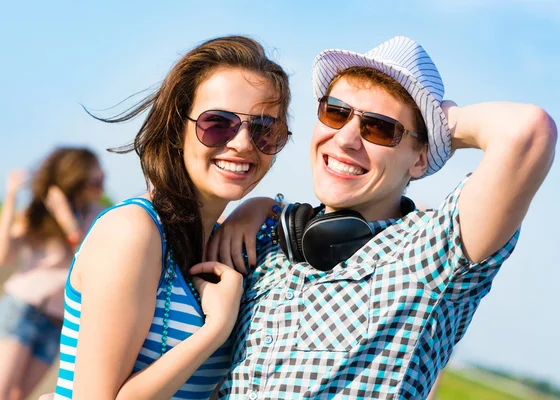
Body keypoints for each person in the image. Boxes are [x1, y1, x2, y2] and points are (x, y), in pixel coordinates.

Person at [209, 36, 557, 399]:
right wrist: (257, 207)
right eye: (336, 112)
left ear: (419, 159)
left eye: (380, 128)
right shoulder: (269, 237)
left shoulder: (432, 255)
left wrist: (438, 123)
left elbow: (528, 131)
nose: (345, 139)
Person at [51, 35, 291, 400]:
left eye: (264, 129)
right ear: (179, 126)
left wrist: (263, 206)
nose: (242, 144)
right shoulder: (134, 231)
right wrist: (216, 330)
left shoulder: (221, 243)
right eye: (218, 123)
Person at [0, 147, 104, 400]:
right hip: (21, 309)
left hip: (57, 322)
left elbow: (91, 262)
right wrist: (11, 197)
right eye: (95, 181)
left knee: (17, 397)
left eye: (102, 181)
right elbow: (2, 255)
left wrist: (67, 220)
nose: (100, 187)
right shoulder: (38, 212)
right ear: (77, 180)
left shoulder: (97, 216)